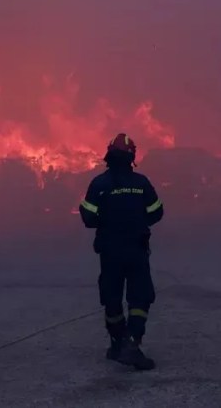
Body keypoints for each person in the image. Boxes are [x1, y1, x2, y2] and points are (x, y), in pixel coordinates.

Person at [78, 133, 165, 370]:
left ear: (109, 154)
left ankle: (118, 344)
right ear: (132, 157)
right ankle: (132, 345)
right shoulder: (142, 183)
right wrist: (137, 221)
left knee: (112, 296)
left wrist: (106, 222)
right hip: (136, 249)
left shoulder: (100, 184)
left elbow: (87, 216)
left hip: (110, 250)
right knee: (140, 296)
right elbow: (157, 212)